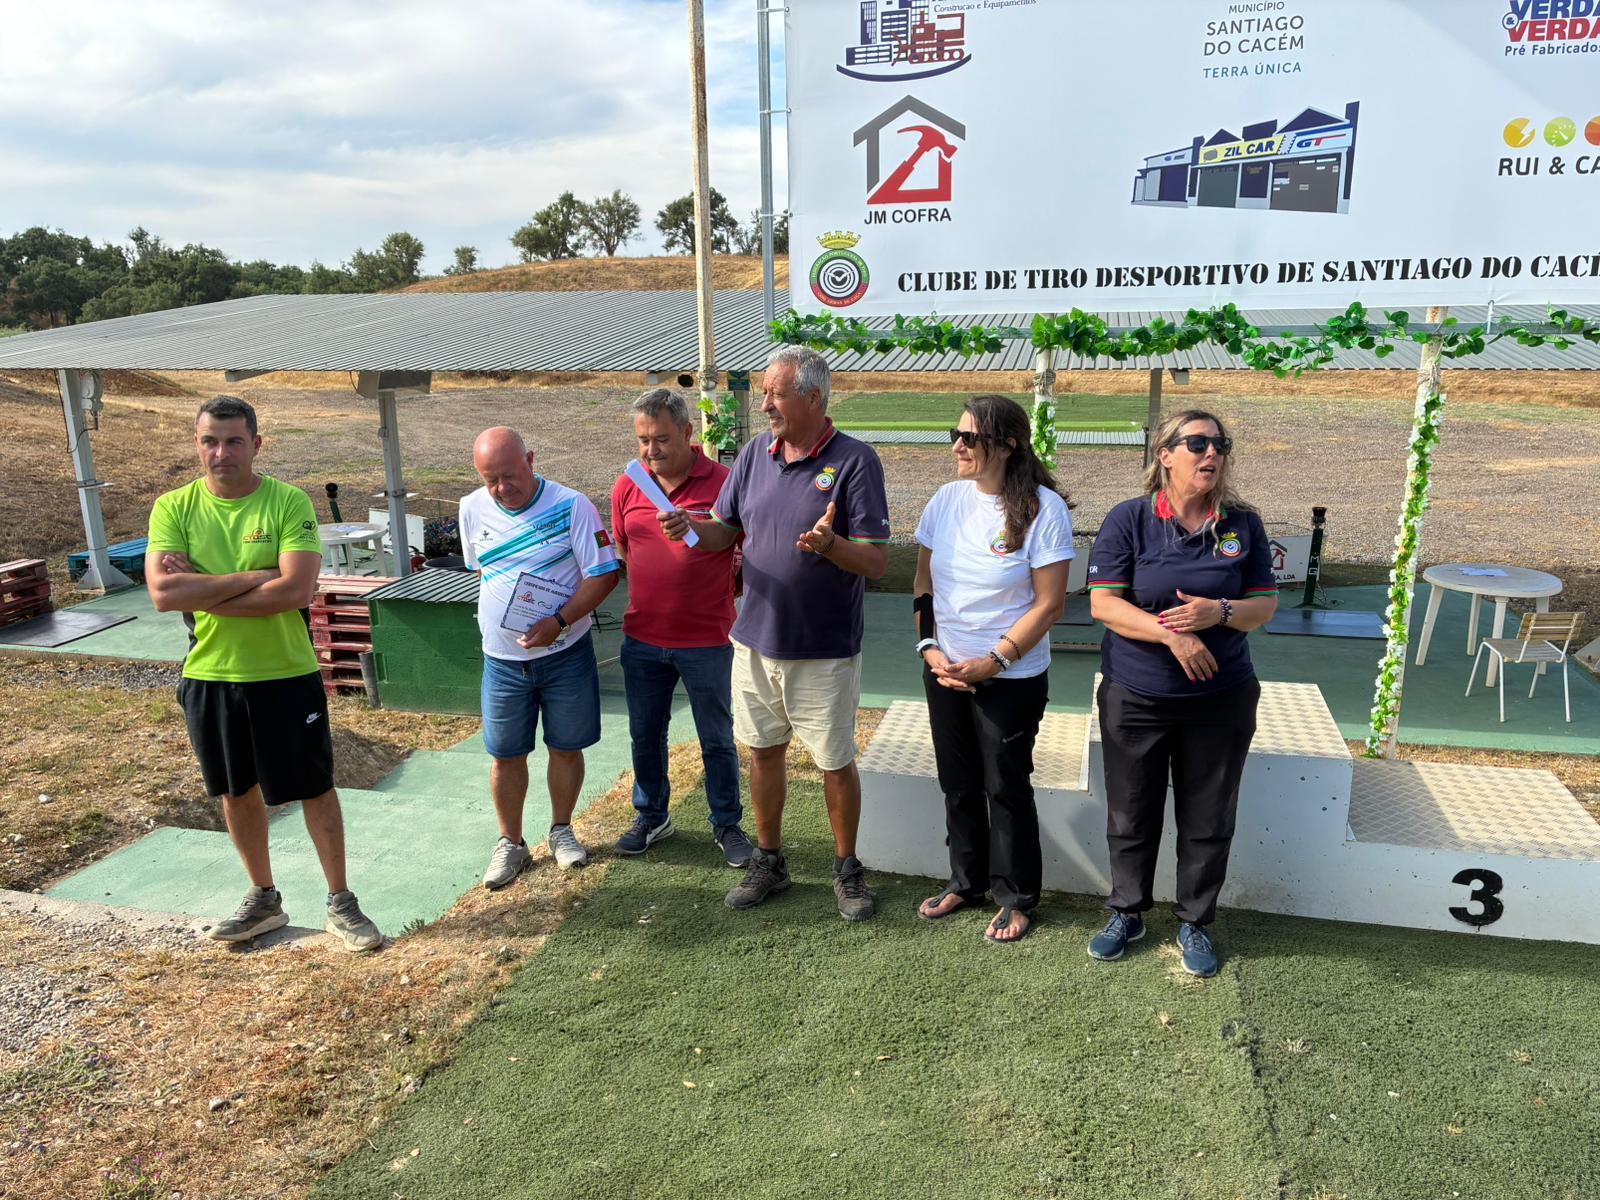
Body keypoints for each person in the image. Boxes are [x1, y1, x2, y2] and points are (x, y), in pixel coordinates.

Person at [659, 346, 891, 921]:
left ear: (813, 397)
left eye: (775, 394)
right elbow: (724, 531)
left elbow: (876, 561)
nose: (764, 405)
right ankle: (770, 861)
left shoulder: (856, 461)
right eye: (764, 393)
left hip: (824, 648)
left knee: (834, 761)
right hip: (755, 640)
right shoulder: (753, 457)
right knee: (762, 753)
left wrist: (830, 546)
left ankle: (847, 870)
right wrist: (691, 527)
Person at [145, 396, 382, 951]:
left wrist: (204, 585)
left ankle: (341, 902)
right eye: (210, 441)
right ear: (197, 444)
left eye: (233, 440)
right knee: (235, 790)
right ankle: (263, 899)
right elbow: (163, 594)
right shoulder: (173, 508)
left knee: (315, 788)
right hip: (211, 675)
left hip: (285, 673)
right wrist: (255, 577)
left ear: (256, 444)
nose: (220, 452)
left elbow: (295, 590)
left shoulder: (286, 502)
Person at [1084, 409, 1278, 977]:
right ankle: (1127, 912)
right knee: (1130, 810)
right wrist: (1174, 635)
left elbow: (1264, 606)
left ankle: (1195, 920)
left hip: (1221, 700)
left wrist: (1218, 611)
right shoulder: (1129, 519)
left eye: (1220, 444)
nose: (1211, 453)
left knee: (1208, 816)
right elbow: (1104, 604)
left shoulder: (1243, 524)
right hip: (1136, 696)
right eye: (1196, 443)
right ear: (1165, 455)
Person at [912, 396, 1074, 943]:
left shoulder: (1045, 509)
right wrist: (930, 648)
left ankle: (1016, 897)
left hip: (1010, 677)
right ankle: (967, 882)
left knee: (1004, 786)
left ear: (1007, 446)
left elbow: (1050, 605)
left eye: (970, 438)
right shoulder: (945, 500)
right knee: (957, 783)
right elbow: (923, 585)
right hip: (946, 670)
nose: (957, 446)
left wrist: (994, 661)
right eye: (954, 435)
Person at [460, 427, 620, 889]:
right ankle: (510, 843)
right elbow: (482, 571)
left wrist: (559, 621)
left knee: (566, 746)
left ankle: (561, 830)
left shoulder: (572, 506)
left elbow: (604, 574)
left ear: (530, 460)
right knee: (505, 754)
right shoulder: (471, 508)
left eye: (510, 475)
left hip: (565, 654)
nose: (501, 488)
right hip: (501, 662)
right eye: (490, 479)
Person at [609, 389, 753, 866]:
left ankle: (727, 824)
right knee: (646, 734)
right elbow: (626, 549)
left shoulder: (724, 483)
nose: (652, 450)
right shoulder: (628, 485)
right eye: (643, 440)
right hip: (643, 638)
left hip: (707, 640)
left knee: (717, 738)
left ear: (689, 433)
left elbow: (743, 547)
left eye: (662, 439)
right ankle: (652, 816)